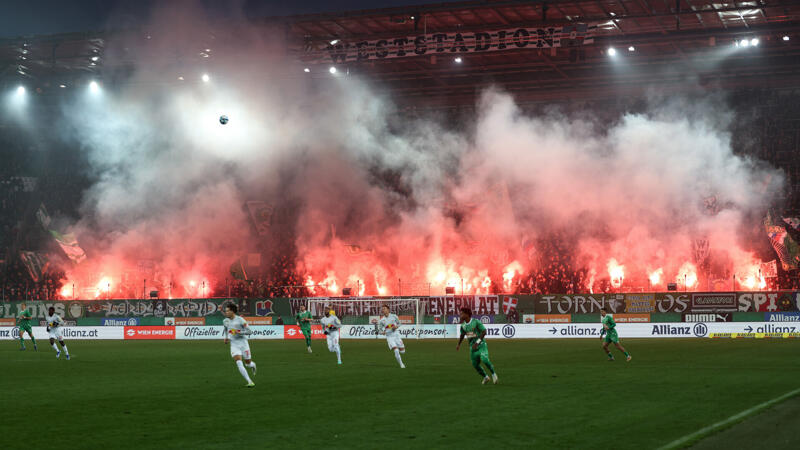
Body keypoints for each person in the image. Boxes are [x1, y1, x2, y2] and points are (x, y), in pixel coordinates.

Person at [456, 307, 497, 384]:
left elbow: (484, 332)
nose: (460, 315)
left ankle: (493, 374)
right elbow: (462, 335)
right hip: (473, 348)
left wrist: (477, 342)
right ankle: (486, 377)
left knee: (484, 359)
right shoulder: (463, 325)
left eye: (461, 313)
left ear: (467, 314)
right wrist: (459, 344)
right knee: (475, 365)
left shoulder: (476, 322)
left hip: (481, 345)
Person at [222, 303, 257, 387]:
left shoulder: (241, 320)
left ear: (232, 311)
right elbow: (226, 329)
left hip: (243, 343)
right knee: (238, 362)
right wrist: (226, 337)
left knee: (248, 364)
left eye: (227, 311)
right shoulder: (225, 321)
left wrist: (238, 332)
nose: (226, 312)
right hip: (234, 344)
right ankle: (249, 381)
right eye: (225, 311)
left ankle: (253, 365)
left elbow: (249, 331)